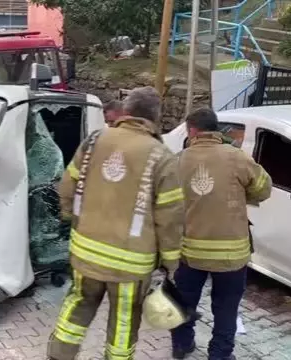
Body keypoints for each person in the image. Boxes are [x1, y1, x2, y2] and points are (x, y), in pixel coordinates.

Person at [47, 86, 185, 360]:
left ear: (126, 112)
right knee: (124, 320)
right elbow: (170, 219)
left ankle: (58, 355)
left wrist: (72, 219)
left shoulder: (95, 140)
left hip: (85, 252)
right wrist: (171, 263)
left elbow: (67, 186)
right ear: (155, 118)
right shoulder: (162, 157)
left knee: (77, 305)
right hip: (131, 264)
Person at [170, 108, 272, 360]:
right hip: (231, 254)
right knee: (226, 308)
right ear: (216, 130)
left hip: (190, 252)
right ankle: (220, 354)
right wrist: (240, 194)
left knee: (184, 302)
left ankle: (182, 345)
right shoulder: (237, 158)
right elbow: (263, 188)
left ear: (192, 130)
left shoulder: (178, 161)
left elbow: (166, 203)